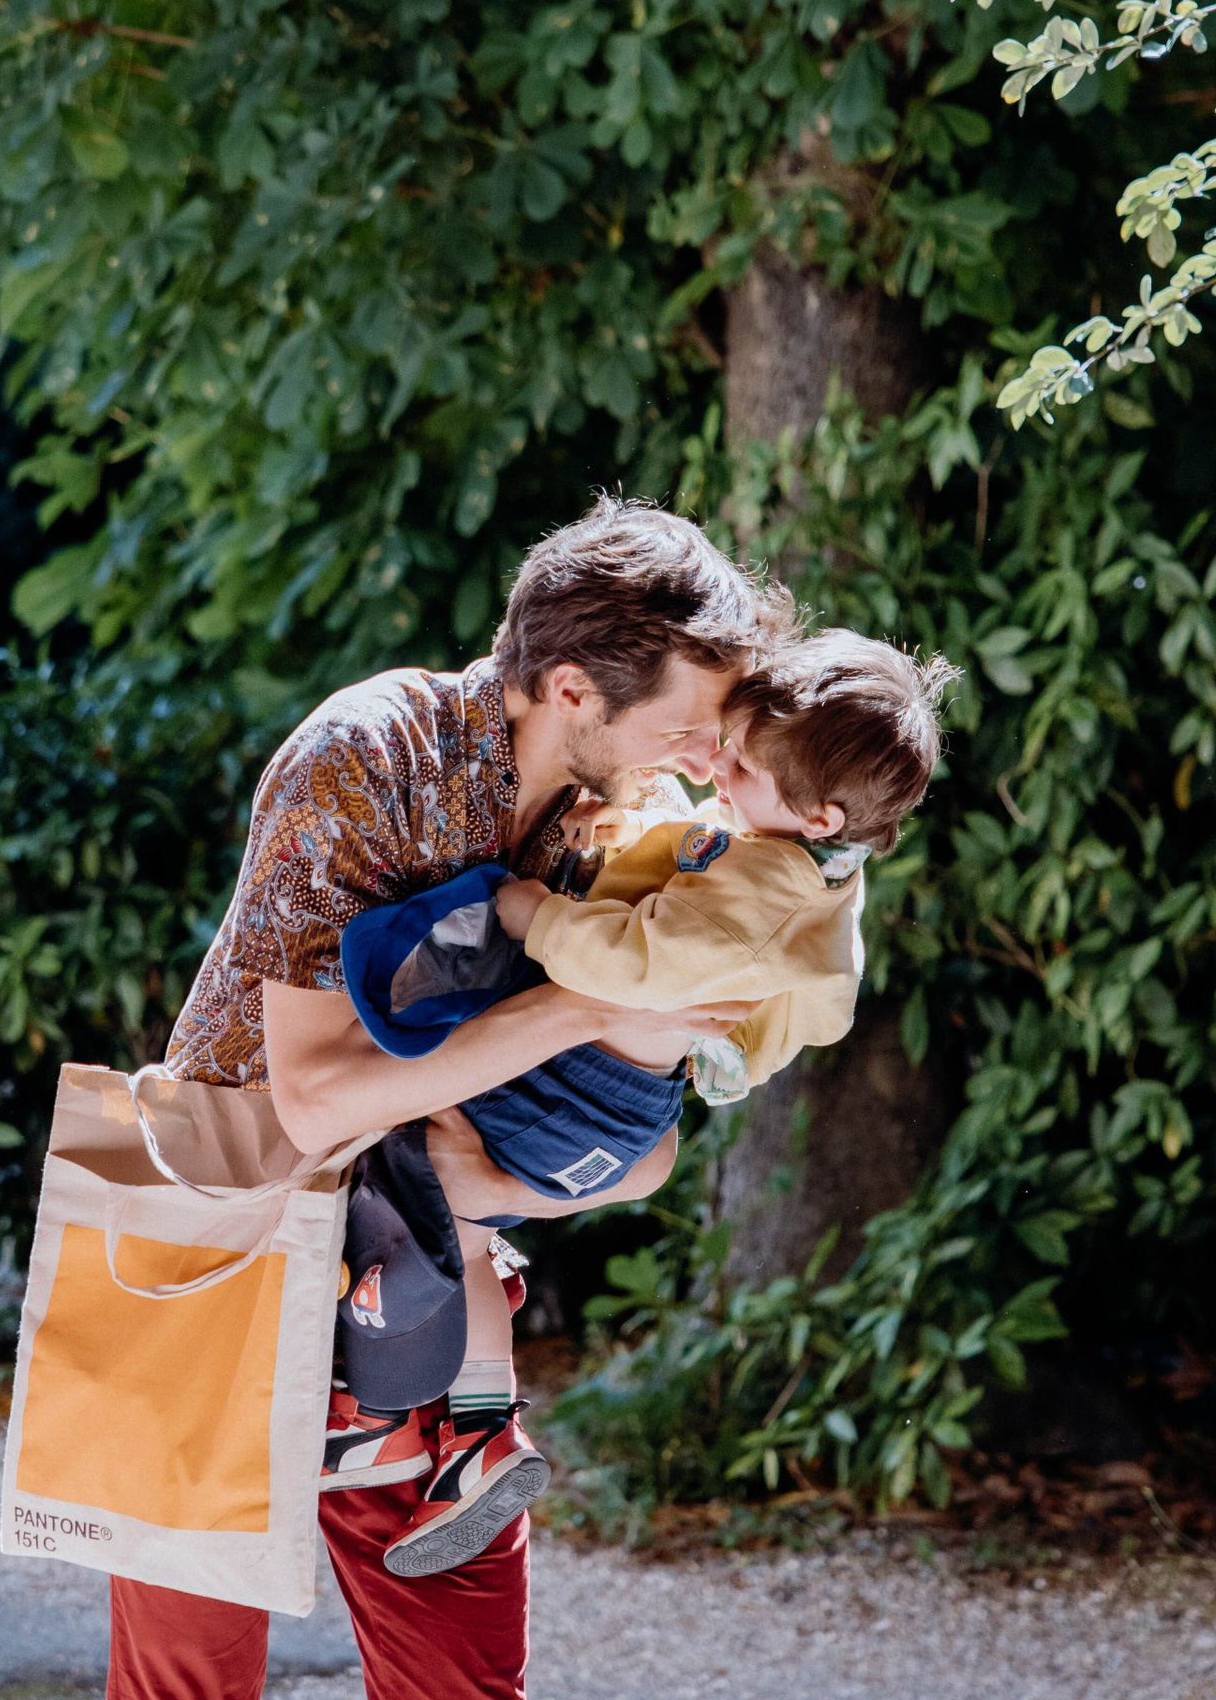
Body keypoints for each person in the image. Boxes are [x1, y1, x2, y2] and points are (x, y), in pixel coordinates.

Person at [92, 495, 788, 1700]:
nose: (701, 757)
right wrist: (575, 1013)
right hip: (216, 1284)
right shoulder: (368, 755)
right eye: (681, 721)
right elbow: (320, 1090)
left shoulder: (632, 829)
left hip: (423, 1333)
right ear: (566, 691)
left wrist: (511, 1162)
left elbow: (636, 1154)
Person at [328, 631, 956, 1577]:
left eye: (741, 764)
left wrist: (529, 912)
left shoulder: (768, 891)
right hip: (612, 1106)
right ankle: (480, 1434)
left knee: (406, 1171)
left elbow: (634, 963)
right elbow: (697, 869)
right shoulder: (804, 865)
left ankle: (372, 1416)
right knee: (461, 1221)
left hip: (575, 1089)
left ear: (823, 815)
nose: (719, 769)